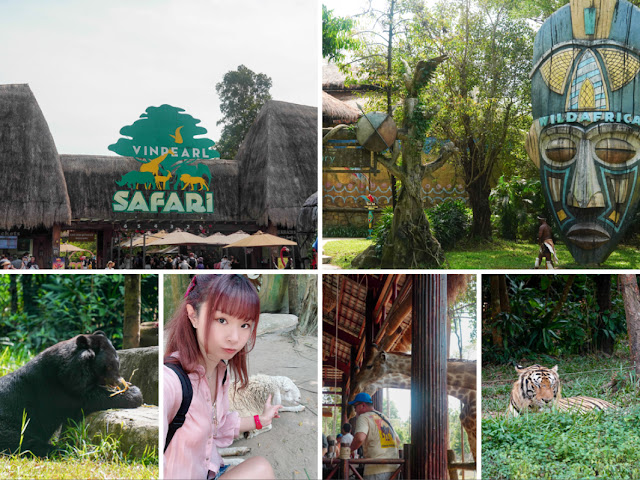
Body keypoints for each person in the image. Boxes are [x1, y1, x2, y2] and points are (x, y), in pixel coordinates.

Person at [164, 275, 281, 479]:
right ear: (193, 316)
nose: (235, 338)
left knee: (261, 468)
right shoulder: (171, 382)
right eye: (222, 320)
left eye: (245, 325)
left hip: (211, 471)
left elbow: (217, 424)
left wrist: (260, 420)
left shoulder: (220, 372)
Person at [348, 392, 400, 480]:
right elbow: (398, 440)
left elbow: (359, 438)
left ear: (362, 405)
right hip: (395, 469)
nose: (355, 410)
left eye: (355, 407)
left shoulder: (364, 417)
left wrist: (348, 451)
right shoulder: (384, 417)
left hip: (375, 470)